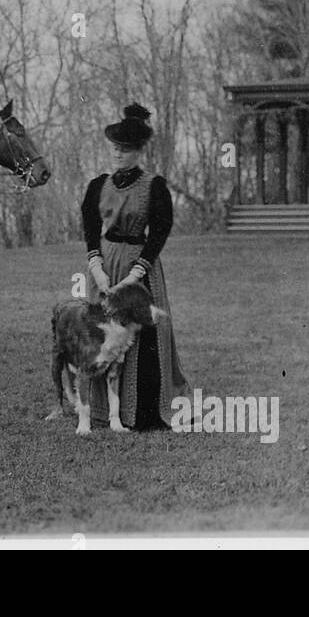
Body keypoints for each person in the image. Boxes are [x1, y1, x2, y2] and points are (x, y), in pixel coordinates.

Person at [80, 103, 189, 430]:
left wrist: (137, 272)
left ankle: (145, 412)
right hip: (106, 264)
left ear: (139, 152)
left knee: (145, 332)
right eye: (115, 148)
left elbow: (160, 230)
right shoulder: (98, 185)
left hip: (140, 267)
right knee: (102, 331)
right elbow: (89, 229)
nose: (118, 155)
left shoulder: (154, 186)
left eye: (126, 150)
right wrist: (96, 267)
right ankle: (100, 410)